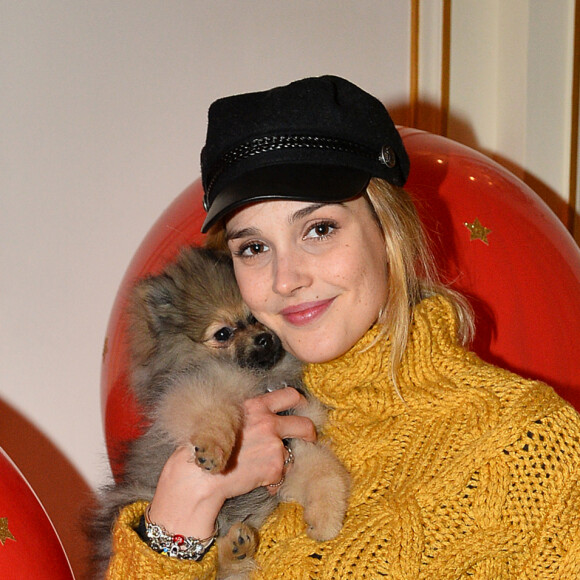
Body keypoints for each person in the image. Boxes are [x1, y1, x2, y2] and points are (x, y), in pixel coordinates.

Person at [105, 76, 580, 579]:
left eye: (319, 229)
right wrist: (184, 509)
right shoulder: (218, 431)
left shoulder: (525, 443)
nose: (286, 279)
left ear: (389, 231)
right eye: (253, 248)